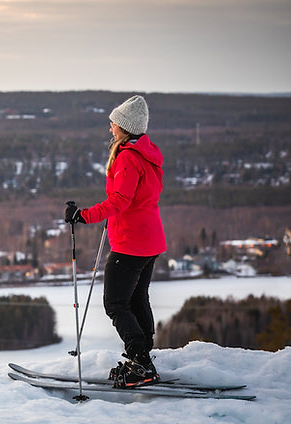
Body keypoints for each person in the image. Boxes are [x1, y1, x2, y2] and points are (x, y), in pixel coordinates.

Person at [65, 95, 166, 388]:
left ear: (125, 127)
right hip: (151, 240)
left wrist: (82, 216)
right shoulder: (148, 155)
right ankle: (143, 357)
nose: (110, 127)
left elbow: (120, 201)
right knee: (137, 299)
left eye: (114, 123)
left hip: (130, 243)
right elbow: (135, 199)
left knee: (115, 303)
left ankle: (141, 362)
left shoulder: (127, 158)